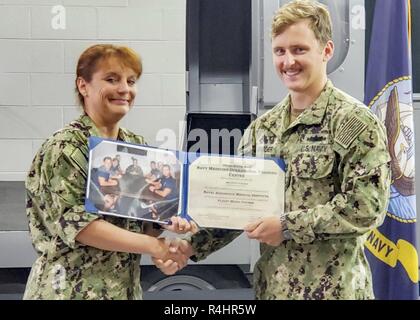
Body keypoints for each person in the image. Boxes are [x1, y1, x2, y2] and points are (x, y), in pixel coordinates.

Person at [154, 0, 391, 300]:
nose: (288, 61)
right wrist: (189, 247)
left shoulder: (355, 122)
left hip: (335, 292)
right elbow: (237, 208)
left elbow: (366, 208)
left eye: (299, 49)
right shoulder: (261, 130)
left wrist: (286, 226)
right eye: (280, 51)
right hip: (272, 290)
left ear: (326, 51)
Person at [24, 44, 196, 300]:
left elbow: (140, 224)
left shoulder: (136, 147)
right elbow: (80, 226)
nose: (124, 89)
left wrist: (166, 221)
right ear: (83, 86)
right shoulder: (65, 147)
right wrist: (155, 246)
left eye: (131, 81)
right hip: (70, 292)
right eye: (111, 79)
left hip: (122, 290)